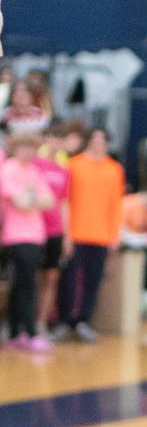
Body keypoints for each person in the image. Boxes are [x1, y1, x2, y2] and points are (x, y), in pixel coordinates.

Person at [52, 127, 124, 342]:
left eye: (103, 140)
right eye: (95, 139)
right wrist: (66, 234)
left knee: (93, 281)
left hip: (100, 235)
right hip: (76, 233)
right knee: (69, 280)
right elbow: (65, 201)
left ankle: (84, 320)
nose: (99, 143)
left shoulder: (114, 169)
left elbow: (115, 204)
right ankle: (65, 321)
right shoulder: (74, 165)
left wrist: (114, 235)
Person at [0, 132, 55, 352]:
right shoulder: (9, 169)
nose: (29, 152)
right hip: (17, 236)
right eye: (25, 147)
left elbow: (49, 200)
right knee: (27, 285)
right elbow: (20, 202)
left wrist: (31, 199)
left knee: (23, 284)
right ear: (16, 148)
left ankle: (15, 333)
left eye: (33, 148)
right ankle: (29, 332)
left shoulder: (33, 171)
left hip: (35, 235)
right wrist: (34, 200)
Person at [32, 124, 70, 335]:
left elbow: (64, 203)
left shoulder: (64, 170)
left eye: (60, 138)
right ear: (46, 139)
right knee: (34, 277)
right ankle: (27, 321)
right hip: (36, 229)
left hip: (55, 230)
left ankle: (41, 321)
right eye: (53, 137)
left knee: (52, 276)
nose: (56, 142)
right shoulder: (36, 165)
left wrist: (66, 234)